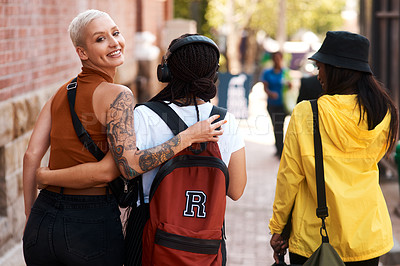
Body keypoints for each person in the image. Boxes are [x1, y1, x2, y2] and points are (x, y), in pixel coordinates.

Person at [22, 10, 225, 266]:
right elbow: (126, 166)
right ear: (82, 52)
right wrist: (187, 137)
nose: (114, 42)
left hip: (42, 220)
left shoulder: (60, 92)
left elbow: (30, 156)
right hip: (89, 224)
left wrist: (31, 213)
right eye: (100, 39)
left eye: (115, 33)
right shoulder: (119, 95)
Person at [269, 31, 398, 265]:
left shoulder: (307, 113)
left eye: (320, 67)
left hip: (315, 238)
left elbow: (290, 177)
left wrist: (278, 227)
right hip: (368, 235)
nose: (319, 75)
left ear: (336, 69)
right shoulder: (382, 112)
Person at [261, 51, 291, 158]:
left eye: (279, 58)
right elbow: (264, 87)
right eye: (275, 58)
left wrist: (289, 84)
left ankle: (280, 149)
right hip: (272, 104)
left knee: (280, 126)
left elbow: (290, 87)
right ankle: (279, 148)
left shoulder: (285, 72)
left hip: (282, 104)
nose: (277, 60)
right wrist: (270, 93)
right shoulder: (267, 72)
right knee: (276, 126)